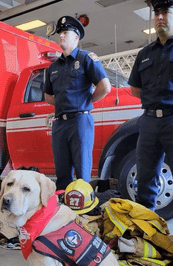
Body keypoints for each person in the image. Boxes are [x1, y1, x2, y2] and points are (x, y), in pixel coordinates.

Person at [128, 0, 173, 211]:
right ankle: (145, 231)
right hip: (149, 121)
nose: (159, 17)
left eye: (165, 12)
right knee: (144, 178)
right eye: (157, 13)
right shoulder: (145, 53)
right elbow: (135, 88)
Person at [44, 16, 111, 190]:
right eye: (60, 33)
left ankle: (84, 212)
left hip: (80, 121)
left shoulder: (86, 58)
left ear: (76, 37)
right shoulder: (52, 67)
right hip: (60, 123)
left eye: (66, 32)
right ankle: (62, 211)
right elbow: (48, 96)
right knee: (62, 172)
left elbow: (105, 87)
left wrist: (85, 101)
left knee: (82, 172)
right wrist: (62, 105)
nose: (61, 36)